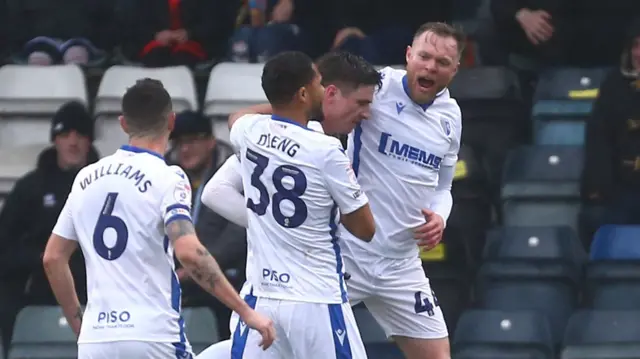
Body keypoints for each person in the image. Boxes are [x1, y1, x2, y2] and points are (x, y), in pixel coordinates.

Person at [198, 22, 463, 359]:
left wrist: (440, 215)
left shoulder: (450, 117)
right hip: (343, 255)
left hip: (400, 263)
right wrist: (283, 114)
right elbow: (218, 189)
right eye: (424, 56)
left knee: (436, 356)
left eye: (441, 62)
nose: (430, 67)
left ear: (455, 69)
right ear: (409, 55)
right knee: (271, 344)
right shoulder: (374, 90)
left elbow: (444, 185)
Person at [41, 78, 275, 359]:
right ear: (171, 122)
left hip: (96, 340)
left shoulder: (85, 178)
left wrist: (80, 325)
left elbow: (53, 258)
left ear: (123, 123)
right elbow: (189, 251)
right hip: (152, 336)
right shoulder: (168, 176)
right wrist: (246, 312)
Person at [224, 51, 376, 358]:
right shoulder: (326, 149)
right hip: (316, 298)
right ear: (304, 93)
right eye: (318, 83)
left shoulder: (248, 132)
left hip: (261, 296)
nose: (325, 90)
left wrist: (282, 103)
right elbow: (365, 229)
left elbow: (236, 116)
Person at [0, 101, 98, 356]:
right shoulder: (30, 188)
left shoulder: (108, 186)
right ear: (55, 140)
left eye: (80, 135)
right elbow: (5, 246)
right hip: (39, 287)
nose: (73, 142)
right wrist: (40, 261)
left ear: (90, 141)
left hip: (97, 289)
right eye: (65, 135)